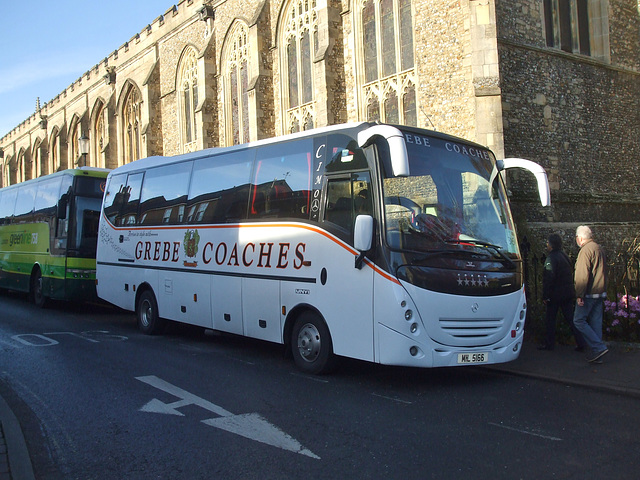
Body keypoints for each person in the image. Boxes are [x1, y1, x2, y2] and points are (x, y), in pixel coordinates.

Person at [538, 233, 586, 351]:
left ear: (551, 245)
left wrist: (546, 295)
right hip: (567, 292)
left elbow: (549, 278)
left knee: (550, 319)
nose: (547, 245)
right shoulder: (564, 256)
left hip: (555, 294)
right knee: (571, 319)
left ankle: (549, 344)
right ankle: (581, 342)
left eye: (548, 243)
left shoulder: (551, 258)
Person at [573, 225, 608, 362]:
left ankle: (598, 348)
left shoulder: (585, 251)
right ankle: (598, 353)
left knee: (579, 320)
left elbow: (582, 275)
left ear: (580, 238)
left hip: (589, 293)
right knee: (596, 322)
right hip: (600, 291)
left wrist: (579, 295)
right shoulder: (599, 248)